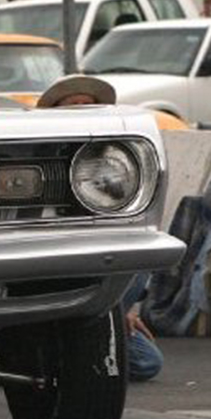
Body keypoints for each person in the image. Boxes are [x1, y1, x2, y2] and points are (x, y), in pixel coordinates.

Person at [36, 73, 162, 381]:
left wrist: (126, 311)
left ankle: (108, 322)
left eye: (87, 106)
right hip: (59, 273)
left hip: (101, 273)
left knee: (148, 362)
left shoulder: (111, 165)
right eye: (73, 106)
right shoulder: (42, 159)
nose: (81, 111)